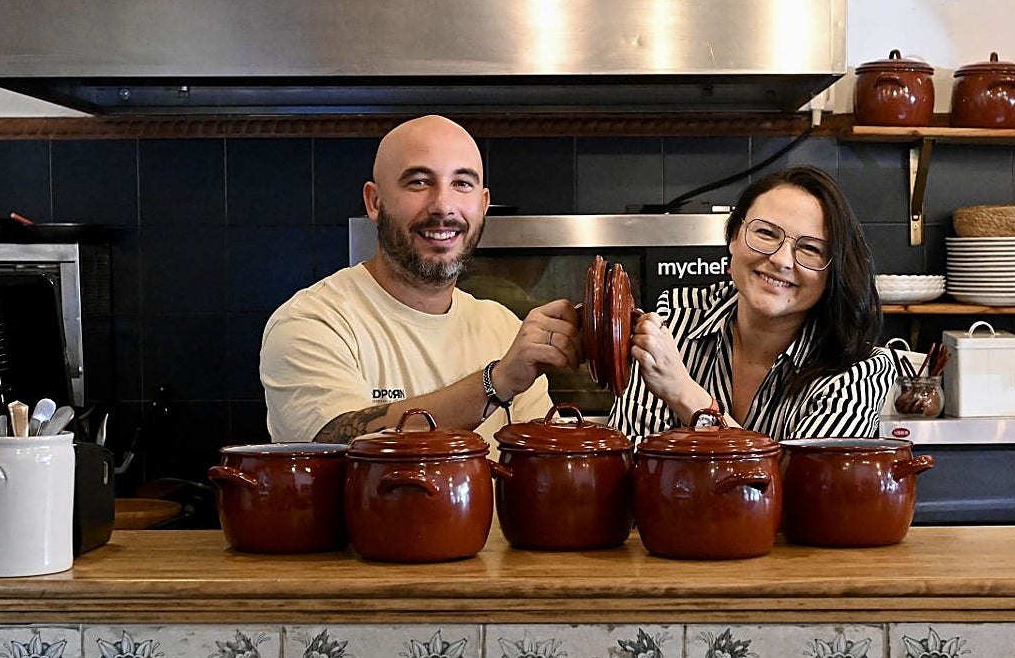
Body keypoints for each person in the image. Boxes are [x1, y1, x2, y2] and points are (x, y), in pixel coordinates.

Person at [260, 115, 580, 449]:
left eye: (462, 184)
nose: (443, 206)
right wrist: (495, 383)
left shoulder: (503, 327)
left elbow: (542, 473)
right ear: (374, 201)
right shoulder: (314, 321)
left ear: (483, 205)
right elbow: (338, 448)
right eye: (418, 182)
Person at [608, 165, 897, 443]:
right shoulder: (677, 318)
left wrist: (686, 395)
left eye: (810, 249)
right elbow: (631, 453)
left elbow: (803, 485)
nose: (781, 260)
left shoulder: (859, 370)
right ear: (734, 237)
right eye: (766, 233)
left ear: (833, 270)